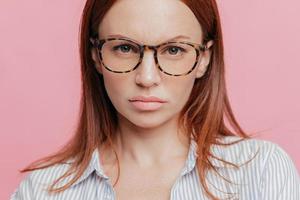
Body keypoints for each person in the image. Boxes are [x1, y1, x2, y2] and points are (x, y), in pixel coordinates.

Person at [10, 0, 299, 199]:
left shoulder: (260, 170)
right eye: (124, 48)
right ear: (96, 55)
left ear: (204, 59)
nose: (147, 78)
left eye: (174, 50)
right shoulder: (44, 190)